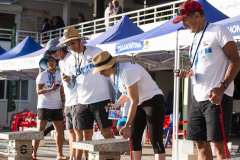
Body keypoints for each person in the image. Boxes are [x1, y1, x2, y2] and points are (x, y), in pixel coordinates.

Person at [173, 0, 240, 160]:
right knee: (199, 144)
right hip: (198, 99)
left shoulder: (219, 30)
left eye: (185, 20)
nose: (183, 25)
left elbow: (236, 61)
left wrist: (221, 88)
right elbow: (203, 66)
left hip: (217, 98)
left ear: (197, 15)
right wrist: (188, 73)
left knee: (219, 147)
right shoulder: (195, 37)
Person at [92, 51, 166, 160]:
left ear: (108, 67)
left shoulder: (127, 71)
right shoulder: (114, 75)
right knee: (134, 138)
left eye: (101, 70)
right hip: (139, 102)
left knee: (155, 138)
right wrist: (116, 104)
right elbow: (127, 93)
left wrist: (127, 125)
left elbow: (134, 100)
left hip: (153, 100)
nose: (100, 73)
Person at [60, 27, 114, 160]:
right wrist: (68, 80)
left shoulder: (96, 51)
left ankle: (114, 157)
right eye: (68, 44)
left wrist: (115, 96)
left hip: (101, 98)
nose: (71, 46)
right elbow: (72, 84)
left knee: (106, 132)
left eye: (73, 42)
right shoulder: (68, 60)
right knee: (84, 136)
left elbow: (110, 69)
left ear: (80, 40)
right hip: (81, 102)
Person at [46, 38, 79, 160]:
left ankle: (77, 157)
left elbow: (80, 76)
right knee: (70, 132)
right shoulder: (60, 63)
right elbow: (65, 86)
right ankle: (72, 156)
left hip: (78, 100)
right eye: (51, 54)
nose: (53, 56)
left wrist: (71, 78)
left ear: (61, 48)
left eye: (54, 52)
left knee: (77, 132)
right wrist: (64, 101)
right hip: (69, 102)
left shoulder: (73, 57)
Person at [32, 55, 66, 160]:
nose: (51, 63)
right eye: (49, 62)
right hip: (44, 105)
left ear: (56, 63)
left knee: (60, 130)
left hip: (57, 106)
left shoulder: (60, 74)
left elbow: (61, 91)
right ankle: (34, 153)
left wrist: (63, 103)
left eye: (53, 61)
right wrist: (50, 89)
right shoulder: (42, 75)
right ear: (46, 64)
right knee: (40, 130)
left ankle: (59, 154)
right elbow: (38, 91)